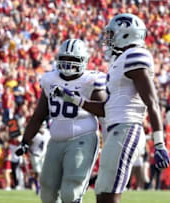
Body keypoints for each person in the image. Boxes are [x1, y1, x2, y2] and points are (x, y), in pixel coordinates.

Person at [53, 14, 170, 203]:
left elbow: (152, 101)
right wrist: (72, 99)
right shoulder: (120, 61)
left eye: (112, 33)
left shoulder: (135, 56)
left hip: (127, 127)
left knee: (109, 195)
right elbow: (107, 108)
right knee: (102, 192)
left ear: (126, 34)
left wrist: (159, 143)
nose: (108, 38)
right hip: (116, 129)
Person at [16, 39, 106, 203]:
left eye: (73, 60)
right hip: (56, 140)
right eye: (65, 58)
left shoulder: (90, 81)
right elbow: (39, 115)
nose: (68, 63)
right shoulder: (50, 80)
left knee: (71, 191)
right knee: (47, 189)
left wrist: (77, 100)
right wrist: (25, 140)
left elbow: (104, 110)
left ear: (83, 61)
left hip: (82, 138)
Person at [28, 123, 50, 195]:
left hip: (43, 155)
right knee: (38, 172)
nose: (41, 128)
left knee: (42, 173)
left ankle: (31, 179)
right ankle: (38, 188)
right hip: (35, 154)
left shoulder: (47, 133)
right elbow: (29, 144)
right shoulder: (34, 134)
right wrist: (30, 153)